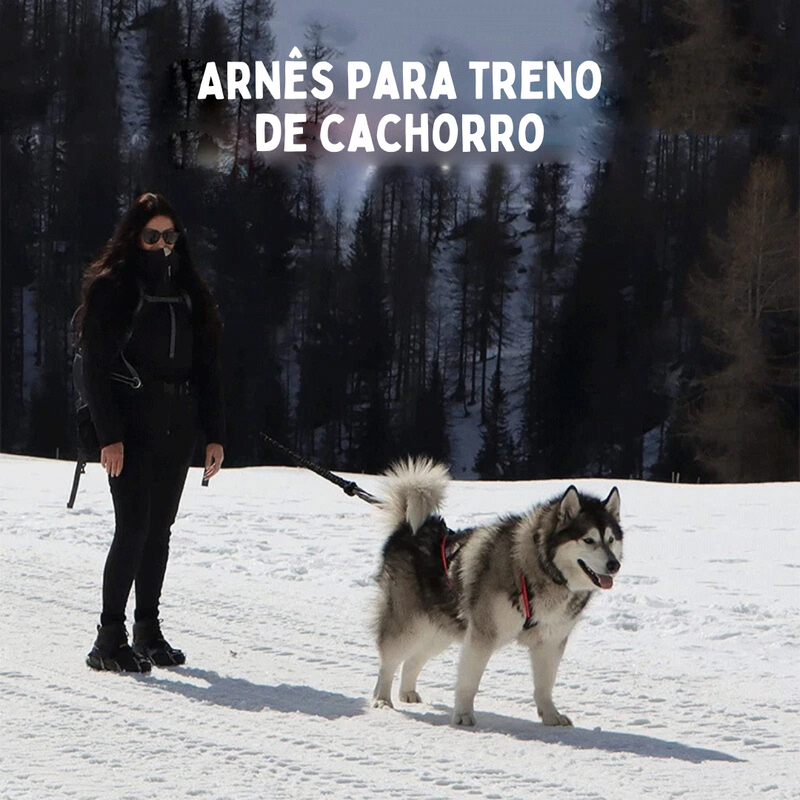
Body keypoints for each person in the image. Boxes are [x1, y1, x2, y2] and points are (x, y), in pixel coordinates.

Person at [74, 192, 226, 672]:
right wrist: (108, 435)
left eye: (169, 235)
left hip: (176, 428)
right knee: (133, 528)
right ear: (133, 237)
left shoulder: (188, 290)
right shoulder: (112, 287)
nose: (162, 244)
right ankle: (108, 638)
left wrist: (214, 434)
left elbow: (207, 367)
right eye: (152, 235)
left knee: (159, 530)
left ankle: (147, 631)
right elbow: (95, 370)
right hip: (130, 429)